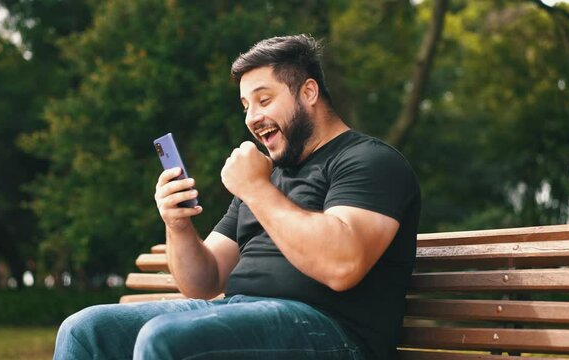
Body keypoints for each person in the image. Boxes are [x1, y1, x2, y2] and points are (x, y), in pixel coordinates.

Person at [54, 34, 421, 360]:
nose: (252, 117)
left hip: (332, 333)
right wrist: (177, 225)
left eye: (264, 100)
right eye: (246, 106)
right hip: (240, 313)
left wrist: (257, 188)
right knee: (84, 329)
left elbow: (342, 266)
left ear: (308, 92)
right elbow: (204, 281)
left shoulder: (369, 160)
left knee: (164, 338)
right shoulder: (264, 178)